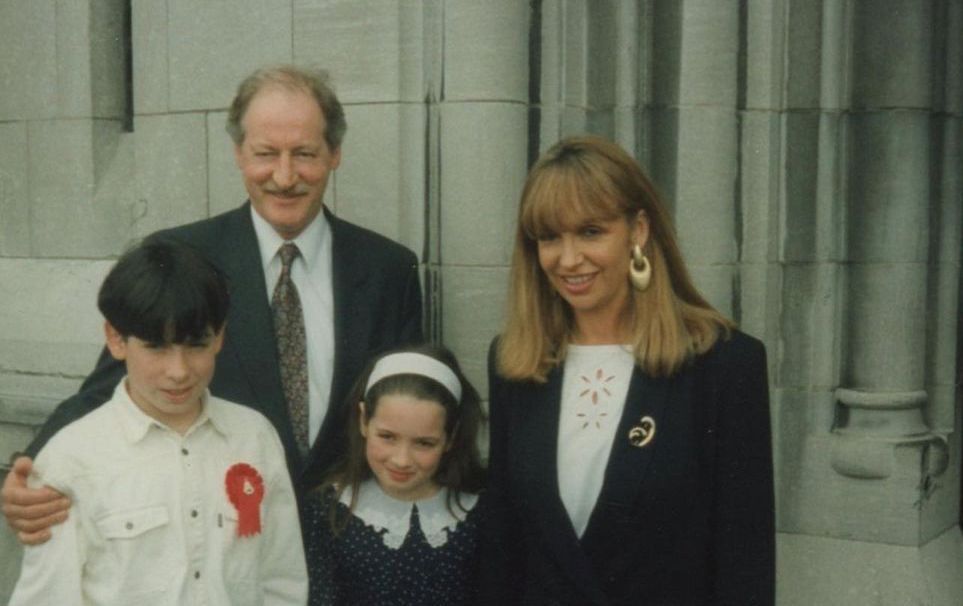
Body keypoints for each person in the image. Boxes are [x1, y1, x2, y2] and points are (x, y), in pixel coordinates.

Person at [2, 64, 423, 544]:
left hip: (352, 551)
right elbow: (108, 386)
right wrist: (32, 469)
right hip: (223, 549)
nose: (284, 177)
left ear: (335, 154)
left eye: (304, 154)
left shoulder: (390, 270)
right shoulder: (182, 258)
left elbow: (412, 408)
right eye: (266, 154)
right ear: (239, 154)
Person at [479, 135, 775, 605]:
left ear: (637, 230)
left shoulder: (723, 365)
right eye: (550, 237)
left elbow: (745, 563)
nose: (568, 258)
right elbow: (502, 545)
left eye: (591, 232)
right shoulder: (515, 361)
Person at [8, 239, 306, 605]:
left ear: (220, 338)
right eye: (156, 347)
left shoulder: (254, 436)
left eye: (196, 345)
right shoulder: (70, 460)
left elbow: (282, 582)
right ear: (116, 340)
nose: (178, 371)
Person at [303, 344, 486, 605]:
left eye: (424, 443)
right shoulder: (328, 508)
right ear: (364, 419)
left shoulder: (477, 512)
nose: (401, 460)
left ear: (451, 437)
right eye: (387, 437)